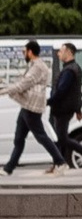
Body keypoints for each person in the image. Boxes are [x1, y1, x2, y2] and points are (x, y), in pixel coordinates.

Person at [4, 41, 54, 174]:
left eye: (24, 51)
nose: (23, 54)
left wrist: (3, 91)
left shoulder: (38, 67)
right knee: (19, 138)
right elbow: (22, 81)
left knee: (41, 136)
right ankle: (9, 168)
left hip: (32, 106)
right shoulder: (34, 65)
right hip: (27, 105)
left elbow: (23, 84)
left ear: (30, 52)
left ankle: (60, 161)